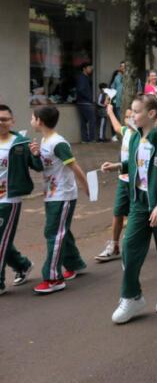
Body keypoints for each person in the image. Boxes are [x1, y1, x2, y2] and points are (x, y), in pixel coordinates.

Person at [101, 95, 157, 324]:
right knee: (129, 248)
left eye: (136, 111)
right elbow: (137, 164)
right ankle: (132, 296)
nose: (132, 115)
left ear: (152, 114)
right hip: (138, 202)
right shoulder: (135, 137)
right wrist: (119, 165)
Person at [30, 105, 89, 294]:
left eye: (33, 117)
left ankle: (53, 278)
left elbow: (74, 166)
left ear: (39, 121)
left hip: (62, 195)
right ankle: (75, 263)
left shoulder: (58, 143)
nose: (31, 121)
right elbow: (44, 166)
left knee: (54, 233)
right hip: (51, 194)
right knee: (62, 231)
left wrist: (87, 187)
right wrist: (37, 154)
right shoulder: (45, 140)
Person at [0, 105, 38, 295]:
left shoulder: (20, 143)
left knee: (1, 240)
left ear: (12, 121)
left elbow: (38, 166)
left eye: (5, 119)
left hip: (9, 199)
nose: (1, 122)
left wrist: (37, 153)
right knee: (2, 239)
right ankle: (22, 265)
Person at [95, 104, 135, 262]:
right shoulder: (126, 132)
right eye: (126, 116)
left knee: (135, 215)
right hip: (122, 180)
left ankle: (132, 245)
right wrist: (110, 112)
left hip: (137, 183)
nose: (129, 119)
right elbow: (117, 127)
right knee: (118, 212)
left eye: (132, 116)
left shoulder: (142, 136)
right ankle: (114, 245)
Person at [75, 62, 97, 143]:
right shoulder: (82, 77)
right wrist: (90, 98)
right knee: (92, 120)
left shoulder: (84, 77)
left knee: (83, 121)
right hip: (85, 102)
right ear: (84, 68)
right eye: (89, 67)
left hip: (81, 102)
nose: (91, 69)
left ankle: (84, 139)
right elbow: (81, 90)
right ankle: (91, 139)